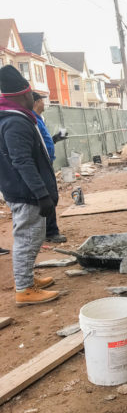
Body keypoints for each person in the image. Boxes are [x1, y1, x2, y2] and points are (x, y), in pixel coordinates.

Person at [0, 65, 60, 306]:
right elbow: (22, 161)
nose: (32, 98)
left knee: (31, 236)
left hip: (21, 189)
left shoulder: (13, 118)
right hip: (25, 192)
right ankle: (24, 289)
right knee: (28, 237)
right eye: (30, 94)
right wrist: (41, 193)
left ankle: (26, 279)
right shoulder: (16, 122)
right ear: (23, 95)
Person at [32, 91, 66, 243]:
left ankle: (48, 230)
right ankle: (50, 232)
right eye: (42, 100)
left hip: (46, 162)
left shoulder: (39, 119)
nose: (44, 103)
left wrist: (56, 139)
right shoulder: (32, 120)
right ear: (37, 102)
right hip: (41, 165)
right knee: (49, 196)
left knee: (51, 196)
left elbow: (43, 143)